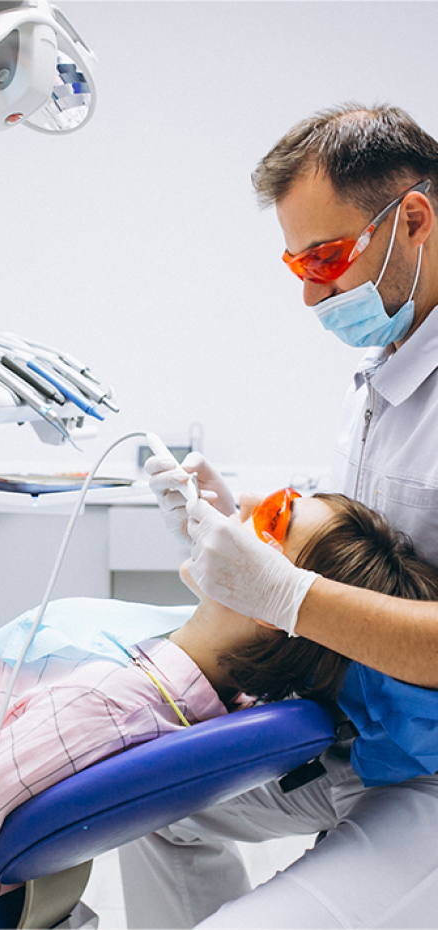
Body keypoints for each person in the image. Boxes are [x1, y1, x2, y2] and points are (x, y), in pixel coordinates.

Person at [120, 103, 438, 929]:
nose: (308, 293)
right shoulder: (381, 372)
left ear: (413, 219)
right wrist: (237, 527)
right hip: (361, 732)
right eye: (295, 261)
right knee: (150, 811)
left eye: (326, 257)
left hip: (430, 772)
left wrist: (285, 595)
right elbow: (353, 551)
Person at [0, 490, 436, 914]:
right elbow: (47, 718)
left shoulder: (110, 708)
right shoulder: (208, 677)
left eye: (274, 516)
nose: (248, 500)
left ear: (270, 603)